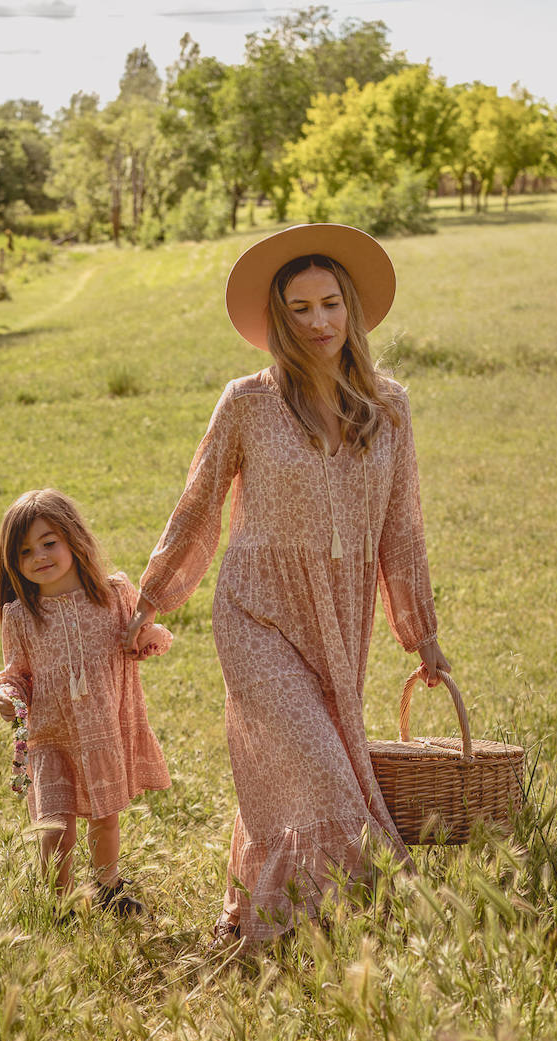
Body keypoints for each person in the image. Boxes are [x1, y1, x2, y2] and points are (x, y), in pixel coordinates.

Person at [124, 223, 450, 949]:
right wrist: (152, 598)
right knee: (317, 762)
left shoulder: (389, 406)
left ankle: (250, 905)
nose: (318, 323)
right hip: (255, 610)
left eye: (330, 304)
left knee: (288, 767)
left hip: (339, 611)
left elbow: (403, 529)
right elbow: (199, 506)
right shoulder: (247, 402)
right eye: (299, 309)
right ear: (278, 318)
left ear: (352, 309)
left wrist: (421, 632)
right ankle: (305, 924)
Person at [0, 488, 172, 914]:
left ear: (73, 537)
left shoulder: (113, 596)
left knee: (105, 818)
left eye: (48, 542)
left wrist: (145, 639)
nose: (39, 556)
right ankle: (62, 904)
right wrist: (7, 694)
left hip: (103, 730)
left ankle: (109, 888)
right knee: (56, 829)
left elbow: (144, 637)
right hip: (52, 737)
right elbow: (17, 673)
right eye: (24, 551)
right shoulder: (22, 616)